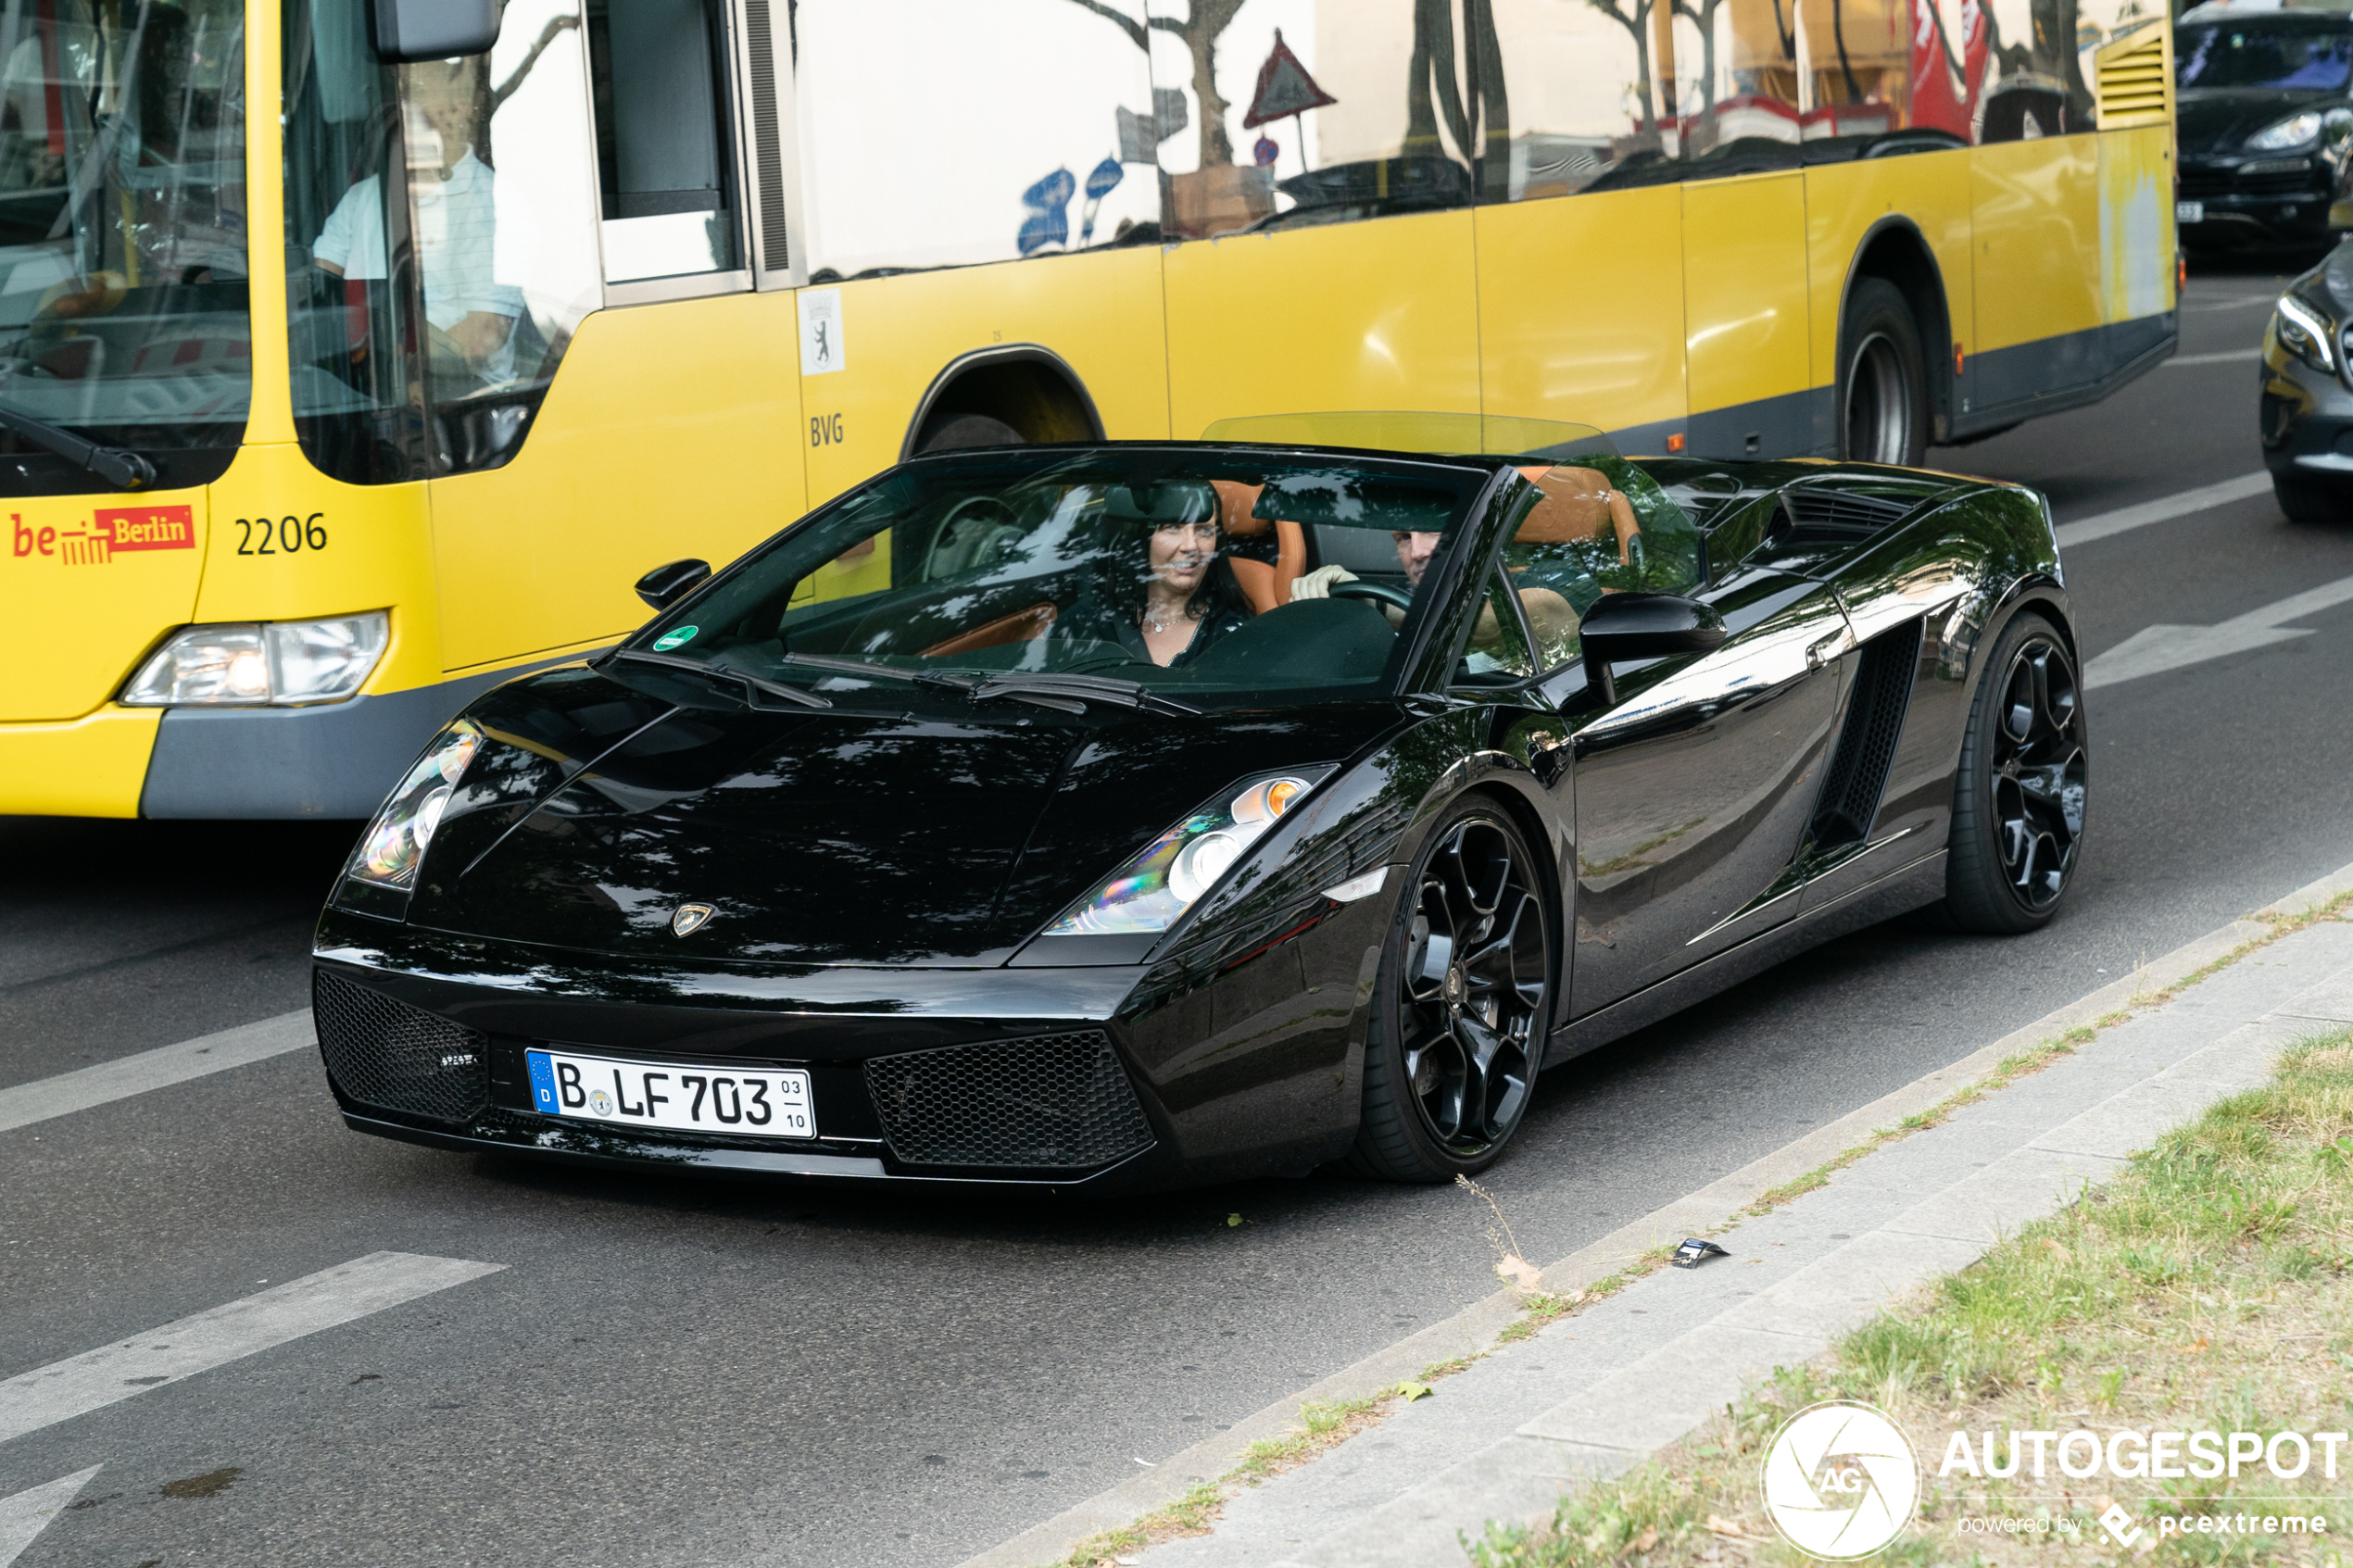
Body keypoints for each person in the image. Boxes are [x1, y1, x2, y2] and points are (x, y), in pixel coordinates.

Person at [312, 59, 524, 383]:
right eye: (407, 92)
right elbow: (321, 290)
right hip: (368, 386)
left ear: (461, 108)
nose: (407, 105)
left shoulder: (491, 202)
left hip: (456, 398)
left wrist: (384, 349)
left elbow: (477, 339)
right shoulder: (362, 198)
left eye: (423, 94)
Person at [1059, 496, 1252, 668]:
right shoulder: (1086, 623)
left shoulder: (1232, 638)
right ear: (1142, 538)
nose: (1191, 546)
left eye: (1205, 530)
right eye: (1173, 527)